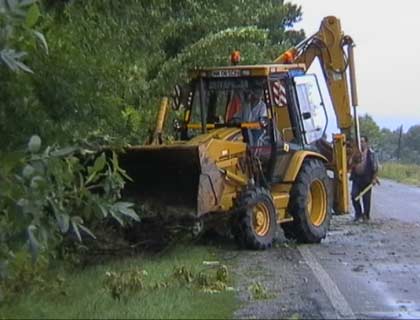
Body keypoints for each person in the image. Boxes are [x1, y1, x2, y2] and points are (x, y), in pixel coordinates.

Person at [350, 135, 379, 222]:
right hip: (357, 179)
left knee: (366, 199)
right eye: (360, 141)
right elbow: (350, 163)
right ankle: (358, 214)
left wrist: (374, 178)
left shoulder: (371, 153)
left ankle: (366, 216)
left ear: (366, 143)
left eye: (362, 141)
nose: (361, 143)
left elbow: (375, 167)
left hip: (367, 179)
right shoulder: (356, 153)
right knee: (354, 195)